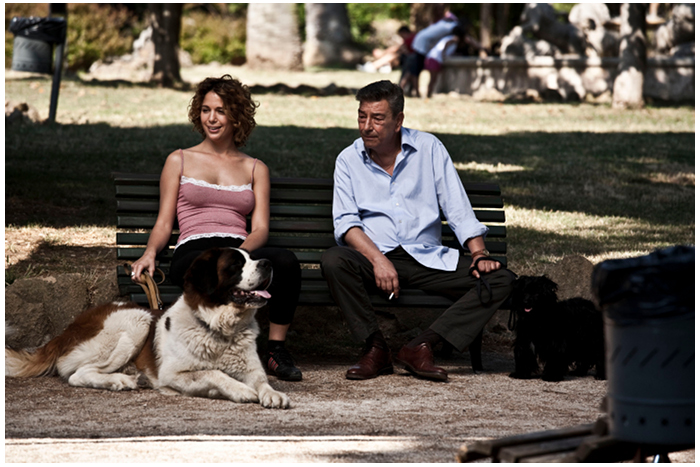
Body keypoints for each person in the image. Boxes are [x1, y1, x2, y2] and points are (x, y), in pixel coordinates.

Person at [321, 80, 514, 382]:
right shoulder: (348, 160)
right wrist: (378, 260)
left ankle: (421, 346)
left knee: (502, 279)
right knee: (334, 260)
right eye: (362, 116)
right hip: (374, 259)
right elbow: (346, 223)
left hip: (427, 260)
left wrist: (479, 254)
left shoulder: (429, 148)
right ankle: (375, 348)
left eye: (377, 118)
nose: (367, 126)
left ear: (398, 121)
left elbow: (456, 206)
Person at [129, 75, 303, 382]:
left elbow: (260, 228)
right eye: (206, 110)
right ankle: (207, 350)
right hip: (196, 250)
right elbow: (164, 222)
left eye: (221, 111)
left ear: (236, 116)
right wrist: (149, 252)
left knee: (286, 262)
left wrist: (239, 254)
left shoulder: (255, 168)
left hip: (238, 251)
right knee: (204, 268)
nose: (211, 118)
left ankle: (276, 351)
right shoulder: (179, 160)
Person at [399, 5, 458, 97]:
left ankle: (407, 90)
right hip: (421, 47)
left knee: (411, 71)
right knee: (414, 72)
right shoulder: (451, 26)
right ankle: (415, 92)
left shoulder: (440, 24)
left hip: (420, 46)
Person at [425, 25, 487, 98]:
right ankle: (428, 94)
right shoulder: (454, 39)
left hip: (433, 58)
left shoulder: (451, 39)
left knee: (433, 79)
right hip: (434, 58)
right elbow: (447, 43)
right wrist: (443, 54)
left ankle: (429, 94)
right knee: (433, 79)